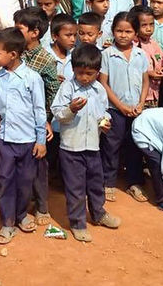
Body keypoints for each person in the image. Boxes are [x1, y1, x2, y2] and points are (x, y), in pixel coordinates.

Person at [0, 28, 46, 245]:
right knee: (6, 180)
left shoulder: (33, 78)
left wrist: (40, 140)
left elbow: (39, 110)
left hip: (28, 141)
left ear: (13, 54)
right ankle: (8, 222)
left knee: (26, 181)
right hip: (6, 141)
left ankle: (21, 213)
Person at [51, 43, 121, 242]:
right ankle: (78, 222)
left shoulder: (99, 89)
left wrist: (105, 123)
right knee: (75, 188)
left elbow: (103, 112)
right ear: (73, 69)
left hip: (93, 145)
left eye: (90, 73)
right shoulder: (67, 87)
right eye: (80, 72)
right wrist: (71, 109)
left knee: (96, 183)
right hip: (71, 148)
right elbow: (57, 112)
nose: (84, 77)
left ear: (98, 72)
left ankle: (98, 213)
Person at [14, 7, 59, 225]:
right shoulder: (14, 53)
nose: (15, 32)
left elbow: (52, 92)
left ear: (35, 32)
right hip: (15, 120)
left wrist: (47, 120)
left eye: (19, 28)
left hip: (36, 122)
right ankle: (22, 202)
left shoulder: (45, 60)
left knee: (39, 165)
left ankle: (42, 206)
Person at [97, 12, 149, 202]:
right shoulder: (107, 55)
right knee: (111, 146)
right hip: (114, 109)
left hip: (136, 109)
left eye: (128, 31)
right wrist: (120, 106)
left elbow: (145, 82)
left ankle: (134, 182)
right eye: (119, 31)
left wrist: (141, 103)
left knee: (135, 145)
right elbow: (103, 83)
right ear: (113, 32)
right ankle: (108, 182)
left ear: (135, 33)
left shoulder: (140, 54)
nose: (123, 35)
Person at [130, 6, 163, 108]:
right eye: (144, 25)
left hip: (154, 94)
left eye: (151, 24)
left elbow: (162, 60)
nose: (149, 28)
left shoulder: (153, 44)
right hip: (140, 97)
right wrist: (149, 73)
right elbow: (131, 68)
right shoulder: (132, 45)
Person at [48, 13, 76, 81]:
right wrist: (51, 81)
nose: (73, 39)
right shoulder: (44, 56)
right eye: (68, 35)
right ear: (54, 36)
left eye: (75, 35)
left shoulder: (76, 55)